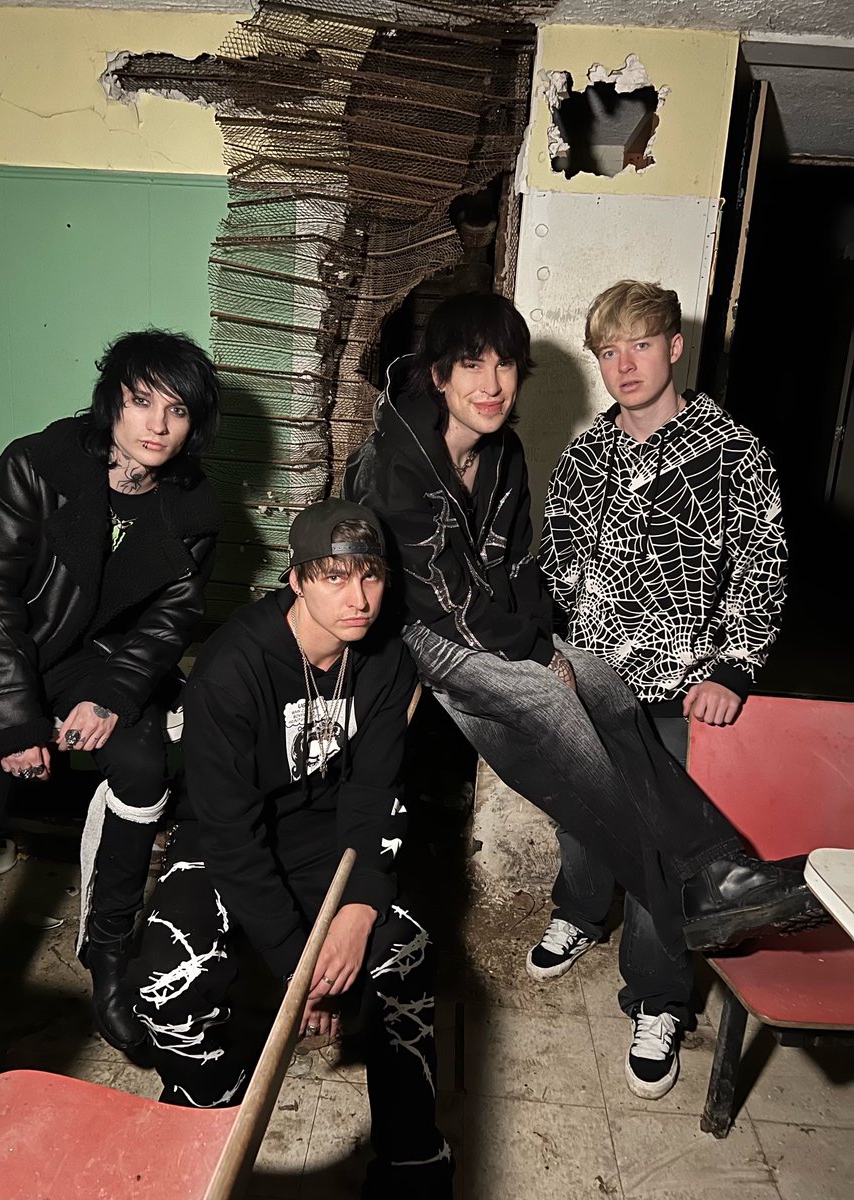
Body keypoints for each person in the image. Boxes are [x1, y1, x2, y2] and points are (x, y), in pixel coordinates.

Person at [342, 289, 823, 979]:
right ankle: (682, 900)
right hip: (420, 630)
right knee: (553, 705)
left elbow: (518, 567)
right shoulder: (397, 461)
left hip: (507, 627)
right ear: (439, 375)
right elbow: (448, 600)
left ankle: (723, 867)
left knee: (598, 683)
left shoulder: (503, 451)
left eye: (505, 364)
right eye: (471, 365)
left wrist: (552, 643)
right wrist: (540, 653)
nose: (491, 383)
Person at [129, 499, 452, 1200]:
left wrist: (358, 911)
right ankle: (208, 1120)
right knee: (165, 982)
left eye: (370, 576)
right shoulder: (233, 668)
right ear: (296, 579)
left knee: (406, 955)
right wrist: (300, 970)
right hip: (227, 835)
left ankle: (410, 1162)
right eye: (334, 577)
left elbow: (375, 795)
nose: (358, 598)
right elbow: (232, 835)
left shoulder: (386, 657)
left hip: (330, 833)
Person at [533, 279, 787, 1098]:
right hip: (589, 672)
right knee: (579, 809)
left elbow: (761, 564)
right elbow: (557, 561)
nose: (625, 365)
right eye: (609, 352)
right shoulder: (586, 455)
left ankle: (658, 997)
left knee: (658, 846)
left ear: (675, 346)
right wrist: (543, 646)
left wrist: (734, 666)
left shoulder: (734, 452)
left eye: (640, 345)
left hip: (680, 686)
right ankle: (580, 910)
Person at [0, 330, 222, 1087]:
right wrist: (17, 719)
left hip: (94, 664)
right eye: (141, 402)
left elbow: (171, 618)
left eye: (176, 410)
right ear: (112, 402)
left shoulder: (194, 504)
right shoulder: (35, 465)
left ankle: (108, 957)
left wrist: (112, 693)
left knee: (143, 765)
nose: (156, 425)